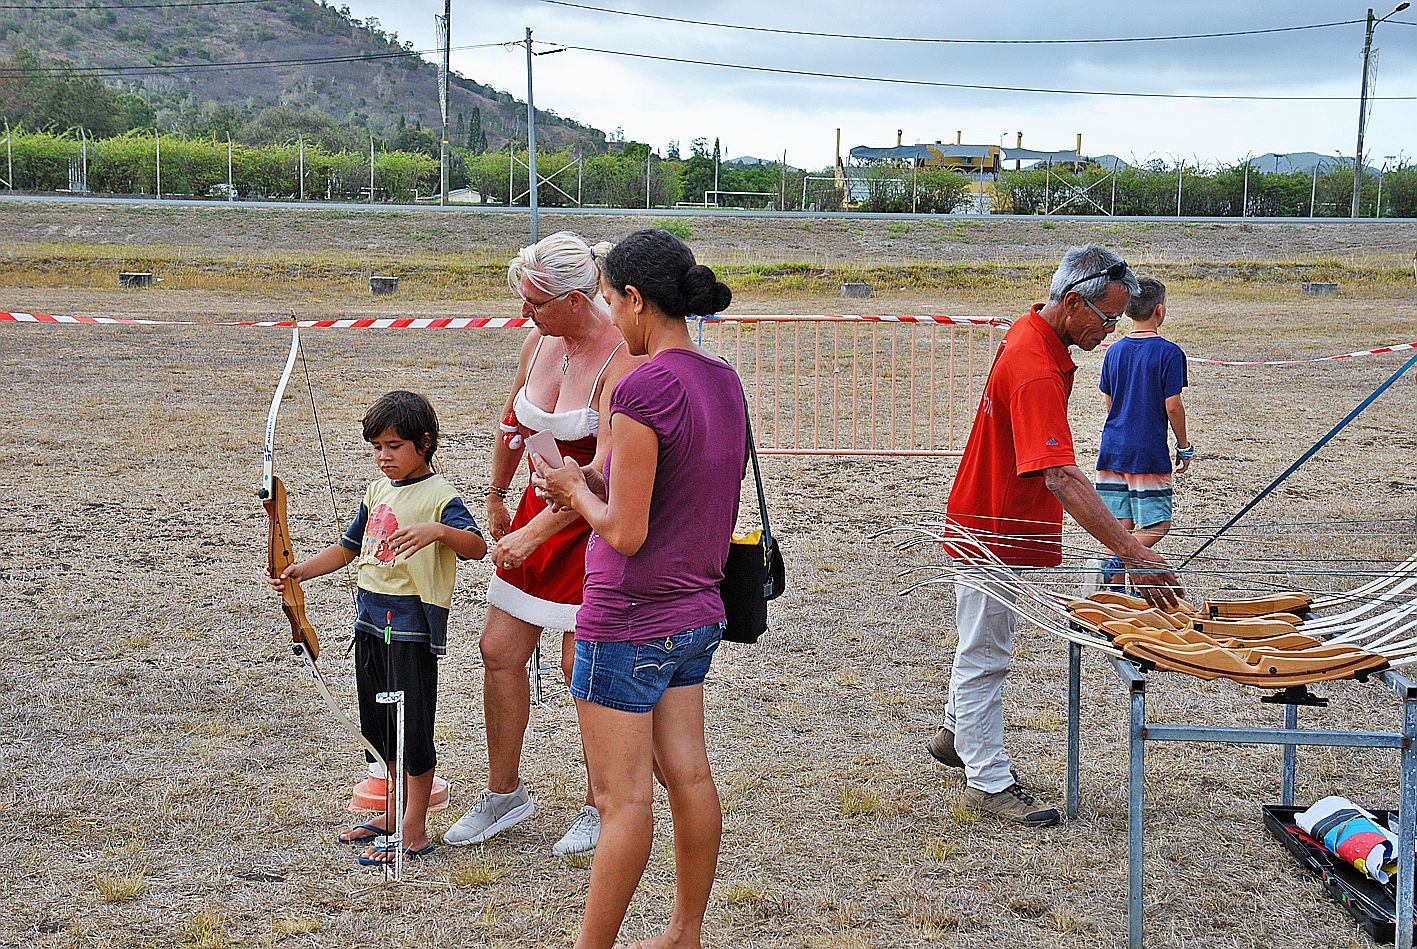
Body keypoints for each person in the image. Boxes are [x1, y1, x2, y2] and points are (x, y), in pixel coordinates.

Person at [535, 229, 746, 949]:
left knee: (619, 799)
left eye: (608, 301)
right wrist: (593, 480)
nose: (609, 319)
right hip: (695, 613)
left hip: (626, 617)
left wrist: (571, 486)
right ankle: (683, 932)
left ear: (634, 298)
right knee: (689, 777)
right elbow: (681, 482)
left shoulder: (642, 383)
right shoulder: (722, 380)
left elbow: (622, 531)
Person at [929, 245, 1183, 828]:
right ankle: (986, 780)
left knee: (982, 638)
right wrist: (1133, 551)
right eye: (1107, 318)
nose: (1112, 330)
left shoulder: (1033, 333)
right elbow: (1062, 475)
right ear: (1073, 304)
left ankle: (957, 736)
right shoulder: (1036, 366)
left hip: (996, 518)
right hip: (993, 526)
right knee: (986, 652)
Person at [444, 231, 639, 857]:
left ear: (578, 300)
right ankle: (505, 793)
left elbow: (604, 473)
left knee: (579, 662)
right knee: (497, 648)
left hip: (590, 521)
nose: (526, 314)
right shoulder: (538, 341)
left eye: (537, 303)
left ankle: (600, 800)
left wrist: (534, 533)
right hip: (534, 506)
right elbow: (513, 421)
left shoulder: (621, 360)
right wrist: (497, 496)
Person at [266, 390, 487, 865]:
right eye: (377, 448)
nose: (384, 457)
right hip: (369, 625)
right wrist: (299, 569)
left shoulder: (439, 497)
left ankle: (413, 828)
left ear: (424, 443)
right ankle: (391, 807)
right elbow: (349, 549)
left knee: (412, 728)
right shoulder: (375, 492)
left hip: (409, 630)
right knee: (380, 728)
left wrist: (438, 532)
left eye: (394, 446)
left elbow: (476, 547)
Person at [1094, 277, 1193, 587]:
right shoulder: (1169, 353)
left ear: (1126, 311)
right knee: (1158, 522)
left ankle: (1117, 590)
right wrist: (1184, 445)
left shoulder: (1114, 352)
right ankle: (1114, 563)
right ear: (1160, 312)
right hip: (1147, 452)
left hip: (1112, 448)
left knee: (1122, 525)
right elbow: (1173, 405)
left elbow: (1110, 403)